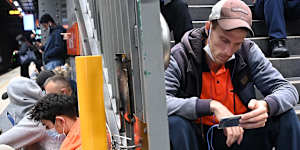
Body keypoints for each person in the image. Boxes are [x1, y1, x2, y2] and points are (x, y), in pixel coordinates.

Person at [165, 0, 300, 150]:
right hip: (199, 138)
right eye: (224, 40)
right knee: (174, 123)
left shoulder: (247, 50)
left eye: (237, 44)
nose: (228, 51)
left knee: (286, 116)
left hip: (241, 133)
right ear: (209, 28)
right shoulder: (181, 55)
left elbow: (287, 89)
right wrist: (211, 105)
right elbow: (160, 102)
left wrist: (267, 105)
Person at [0, 77, 63, 150]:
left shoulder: (35, 119)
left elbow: (3, 141)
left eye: (13, 100)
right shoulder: (42, 107)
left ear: (19, 100)